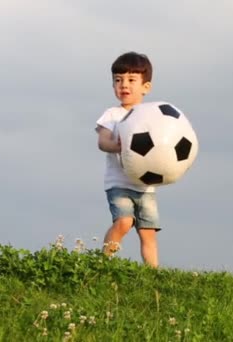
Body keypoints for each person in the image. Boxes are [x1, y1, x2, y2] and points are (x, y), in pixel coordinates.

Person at [95, 51, 160, 268]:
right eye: (118, 80)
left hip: (145, 186)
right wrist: (117, 146)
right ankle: (104, 263)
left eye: (132, 80)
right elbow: (102, 142)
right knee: (124, 222)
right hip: (119, 184)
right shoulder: (112, 114)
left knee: (147, 232)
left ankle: (153, 274)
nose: (124, 85)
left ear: (145, 87)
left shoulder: (152, 116)